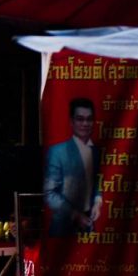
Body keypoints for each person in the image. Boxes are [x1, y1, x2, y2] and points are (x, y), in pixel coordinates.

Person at [45, 97, 101, 237]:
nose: (85, 123)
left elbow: (98, 181)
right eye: (80, 119)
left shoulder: (97, 152)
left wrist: (98, 201)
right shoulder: (58, 152)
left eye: (89, 119)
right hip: (63, 229)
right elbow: (49, 193)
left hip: (89, 226)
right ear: (71, 122)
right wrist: (75, 214)